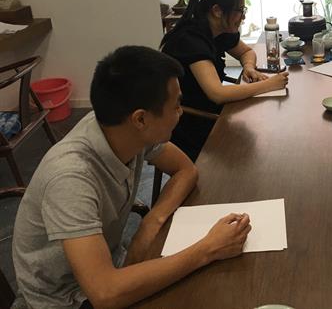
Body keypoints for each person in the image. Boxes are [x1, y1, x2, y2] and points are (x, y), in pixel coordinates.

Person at [12, 46, 252, 309]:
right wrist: (207, 249)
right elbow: (105, 293)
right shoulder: (71, 178)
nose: (180, 112)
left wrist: (150, 223)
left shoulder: (124, 130)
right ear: (140, 119)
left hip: (111, 266)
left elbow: (186, 171)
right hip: (66, 298)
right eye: (176, 106)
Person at [160, 0, 288, 160]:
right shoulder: (191, 41)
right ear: (217, 11)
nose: (243, 17)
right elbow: (217, 94)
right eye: (239, 11)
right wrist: (269, 85)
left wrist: (248, 67)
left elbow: (246, 52)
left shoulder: (218, 30)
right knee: (261, 147)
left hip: (211, 111)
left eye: (243, 10)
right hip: (190, 123)